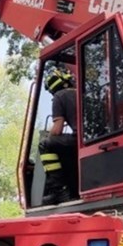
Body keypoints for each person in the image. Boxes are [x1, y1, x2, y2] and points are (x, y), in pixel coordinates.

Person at [38, 66, 77, 205]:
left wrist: (49, 135)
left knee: (45, 144)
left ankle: (59, 190)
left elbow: (57, 130)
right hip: (89, 140)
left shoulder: (59, 97)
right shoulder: (81, 93)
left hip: (77, 140)